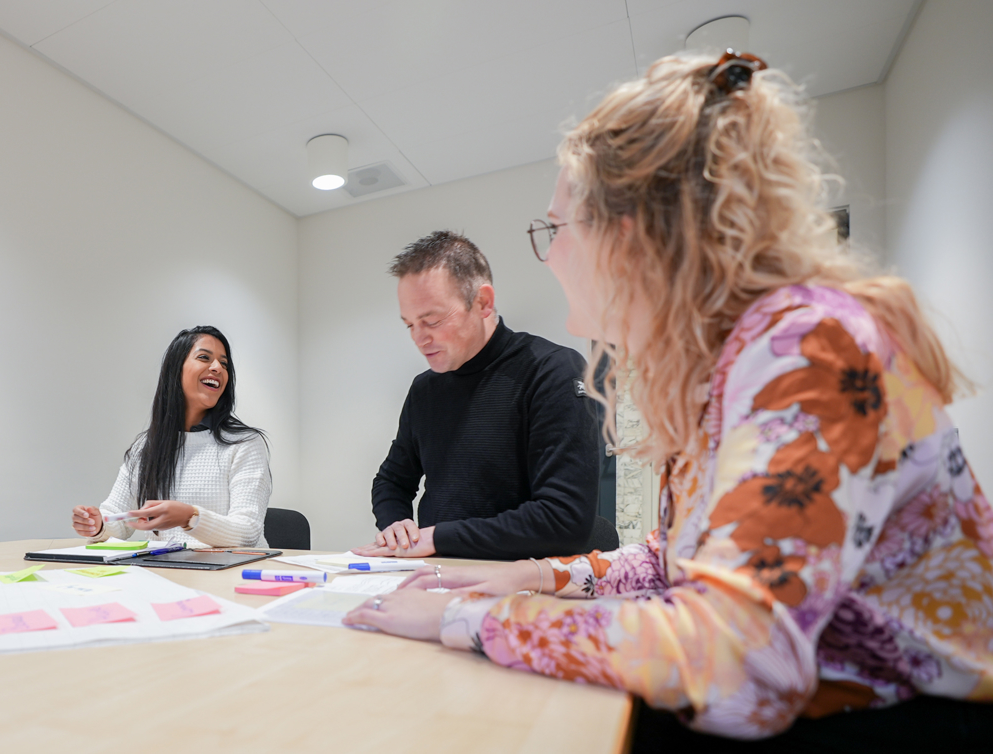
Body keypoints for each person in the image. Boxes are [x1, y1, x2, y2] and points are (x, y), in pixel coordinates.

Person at [344, 51, 993, 751]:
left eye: (556, 229)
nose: (550, 255)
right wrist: (523, 576)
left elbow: (737, 663)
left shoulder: (808, 347)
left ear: (632, 237)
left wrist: (468, 617)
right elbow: (663, 562)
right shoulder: (736, 362)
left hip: (909, 726)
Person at [354, 230, 600, 561]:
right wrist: (396, 524)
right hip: (437, 571)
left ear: (483, 303)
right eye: (409, 325)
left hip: (524, 579)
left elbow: (563, 520)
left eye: (432, 321)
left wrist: (438, 538)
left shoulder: (551, 370)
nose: (419, 338)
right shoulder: (425, 389)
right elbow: (391, 480)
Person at [72, 326, 271, 548]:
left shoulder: (245, 444)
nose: (217, 368)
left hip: (235, 574)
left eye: (224, 364)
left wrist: (189, 517)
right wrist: (98, 524)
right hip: (169, 572)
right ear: (176, 370)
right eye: (204, 357)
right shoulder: (145, 446)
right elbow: (119, 519)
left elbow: (247, 533)